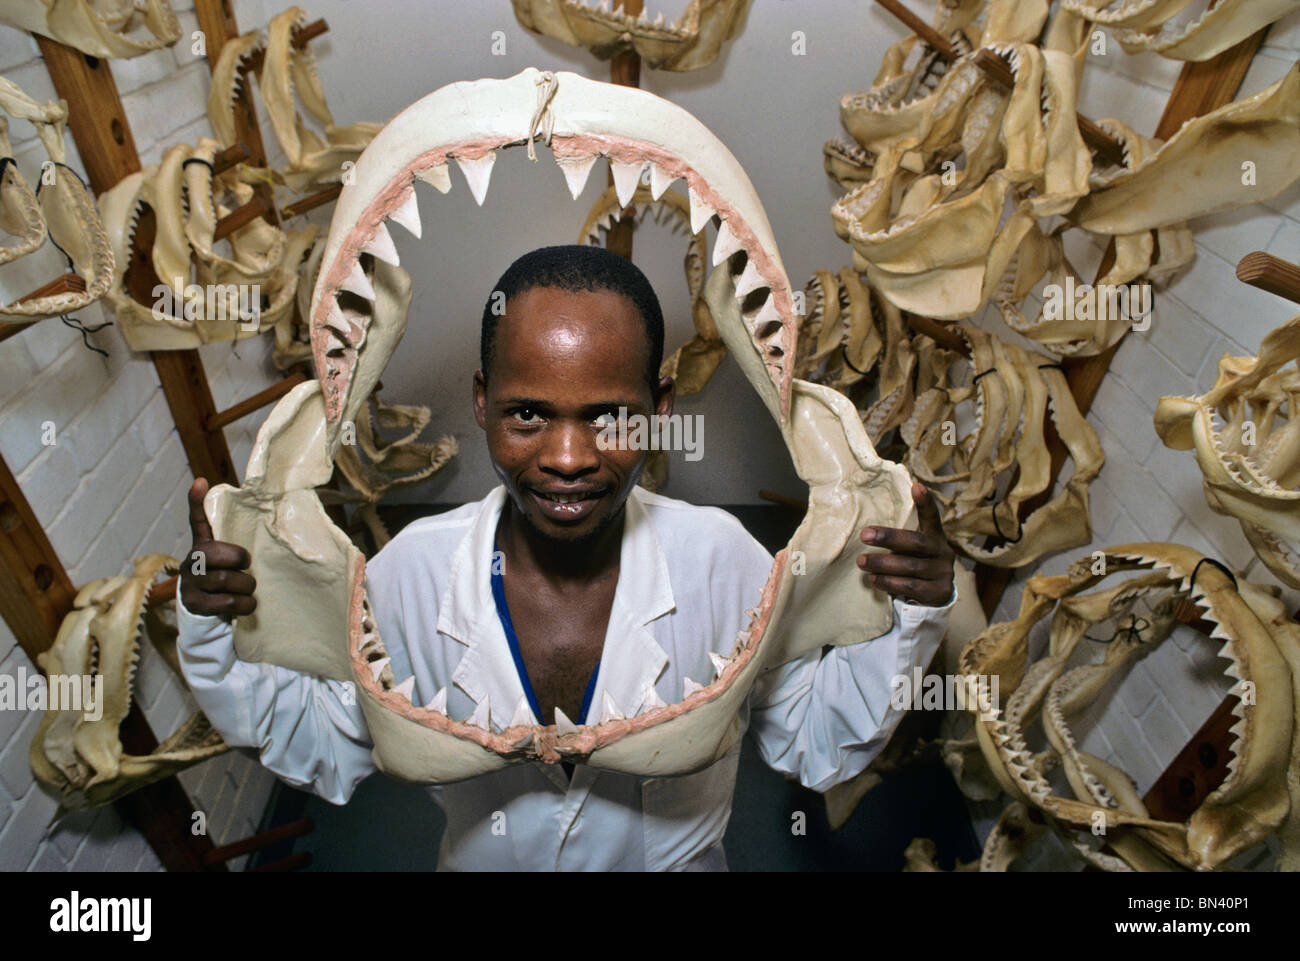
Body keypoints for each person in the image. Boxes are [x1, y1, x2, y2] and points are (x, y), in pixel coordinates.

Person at [177, 244, 956, 871]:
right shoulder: (410, 575)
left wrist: (910, 609)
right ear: (482, 401)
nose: (568, 456)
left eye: (609, 417)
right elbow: (324, 747)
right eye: (527, 414)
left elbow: (815, 739)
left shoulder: (721, 561)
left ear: (659, 410)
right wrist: (220, 619)